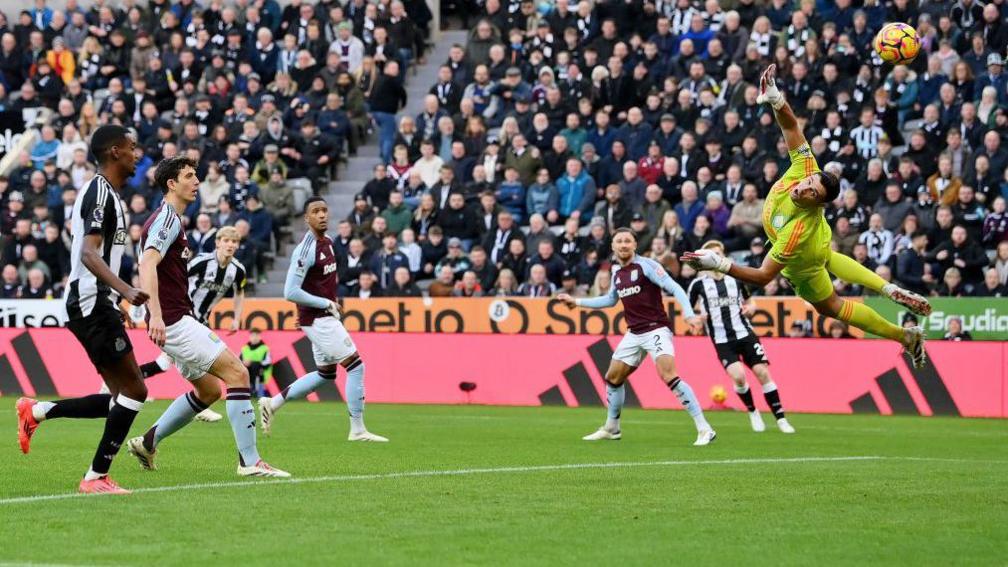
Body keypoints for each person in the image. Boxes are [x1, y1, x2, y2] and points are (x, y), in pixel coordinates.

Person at [683, 65, 930, 369]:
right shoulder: (807, 168)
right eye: (808, 183)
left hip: (803, 263)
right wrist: (776, 99)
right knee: (828, 255)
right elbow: (790, 129)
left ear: (819, 204)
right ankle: (888, 288)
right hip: (820, 243)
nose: (803, 189)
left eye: (812, 192)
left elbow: (763, 276)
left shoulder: (798, 228)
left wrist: (718, 264)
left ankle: (905, 336)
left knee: (832, 306)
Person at [125, 157, 288, 478]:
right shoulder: (167, 219)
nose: (196, 181)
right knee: (239, 374)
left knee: (209, 391)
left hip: (175, 320)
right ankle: (250, 462)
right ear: (171, 184)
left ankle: (147, 442)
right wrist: (155, 316)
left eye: (197, 175)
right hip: (174, 321)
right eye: (189, 176)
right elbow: (146, 264)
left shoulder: (171, 219)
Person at [16, 125, 151, 494]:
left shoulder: (109, 194)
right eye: (131, 147)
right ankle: (96, 477)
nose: (136, 154)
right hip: (90, 302)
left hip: (97, 301)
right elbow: (89, 253)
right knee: (135, 391)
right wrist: (125, 290)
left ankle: (38, 411)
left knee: (119, 398)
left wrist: (115, 299)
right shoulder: (99, 192)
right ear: (113, 151)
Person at [557, 228, 715, 446]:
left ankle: (704, 428)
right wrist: (577, 302)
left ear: (634, 245)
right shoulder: (616, 273)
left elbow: (675, 288)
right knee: (613, 378)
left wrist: (689, 314)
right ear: (612, 246)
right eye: (619, 241)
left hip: (656, 329)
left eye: (627, 241)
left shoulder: (647, 266)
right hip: (634, 333)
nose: (623, 245)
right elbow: (610, 300)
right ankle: (612, 428)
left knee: (668, 375)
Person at [262, 197, 387, 442]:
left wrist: (315, 308)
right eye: (315, 212)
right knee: (356, 366)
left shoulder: (328, 242)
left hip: (321, 317)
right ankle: (358, 429)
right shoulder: (305, 249)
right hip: (320, 319)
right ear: (306, 218)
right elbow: (290, 291)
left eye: (324, 210)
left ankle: (272, 403)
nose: (322, 215)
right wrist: (323, 305)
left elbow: (319, 284)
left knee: (324, 374)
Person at [687, 241, 794, 434]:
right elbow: (688, 311)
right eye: (711, 254)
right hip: (721, 340)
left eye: (718, 253)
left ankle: (781, 419)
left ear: (722, 256)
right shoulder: (698, 284)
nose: (715, 257)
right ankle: (753, 411)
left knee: (762, 373)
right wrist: (696, 318)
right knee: (738, 376)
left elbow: (750, 301)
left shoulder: (735, 278)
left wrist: (752, 308)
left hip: (745, 333)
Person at [241, 329, 273, 398]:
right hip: (247, 372)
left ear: (260, 337)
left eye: (256, 335)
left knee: (255, 366)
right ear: (250, 337)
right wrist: (244, 362)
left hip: (261, 373)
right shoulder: (244, 348)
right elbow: (239, 361)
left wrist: (253, 363)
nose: (254, 337)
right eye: (252, 335)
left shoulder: (265, 348)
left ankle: (257, 393)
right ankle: (247, 392)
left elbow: (268, 362)